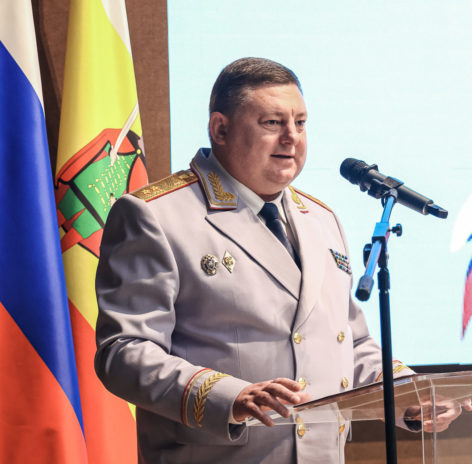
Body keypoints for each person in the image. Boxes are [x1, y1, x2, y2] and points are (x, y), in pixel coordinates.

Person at [94, 57, 418, 463]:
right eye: (272, 123)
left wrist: (408, 392)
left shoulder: (321, 219)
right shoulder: (156, 216)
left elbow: (348, 343)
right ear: (220, 129)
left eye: (301, 123)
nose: (291, 137)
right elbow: (124, 351)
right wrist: (227, 396)